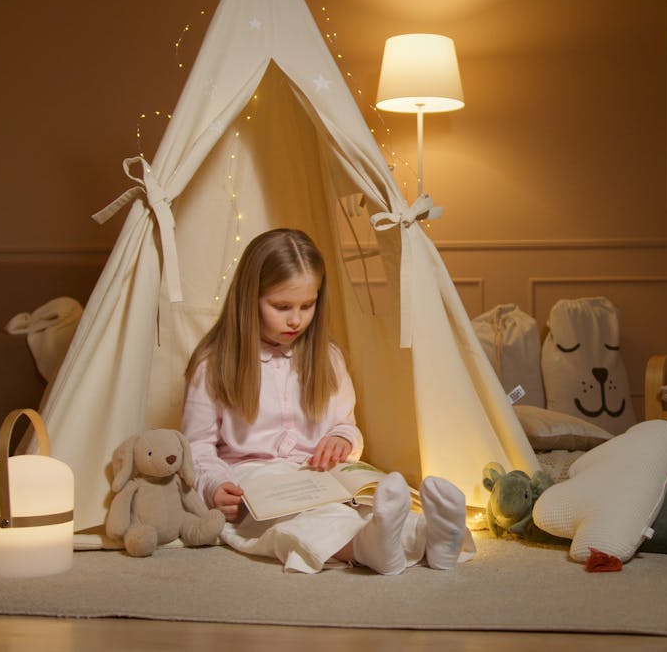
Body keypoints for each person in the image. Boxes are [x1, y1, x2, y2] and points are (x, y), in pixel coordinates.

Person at [180, 227, 470, 574]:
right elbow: (196, 447)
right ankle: (368, 546)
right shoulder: (213, 365)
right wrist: (212, 486)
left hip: (321, 473)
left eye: (308, 305)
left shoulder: (327, 358)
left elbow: (346, 425)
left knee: (368, 500)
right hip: (255, 479)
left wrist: (341, 439)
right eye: (282, 306)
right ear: (248, 298)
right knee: (301, 519)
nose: (296, 319)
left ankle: (430, 535)